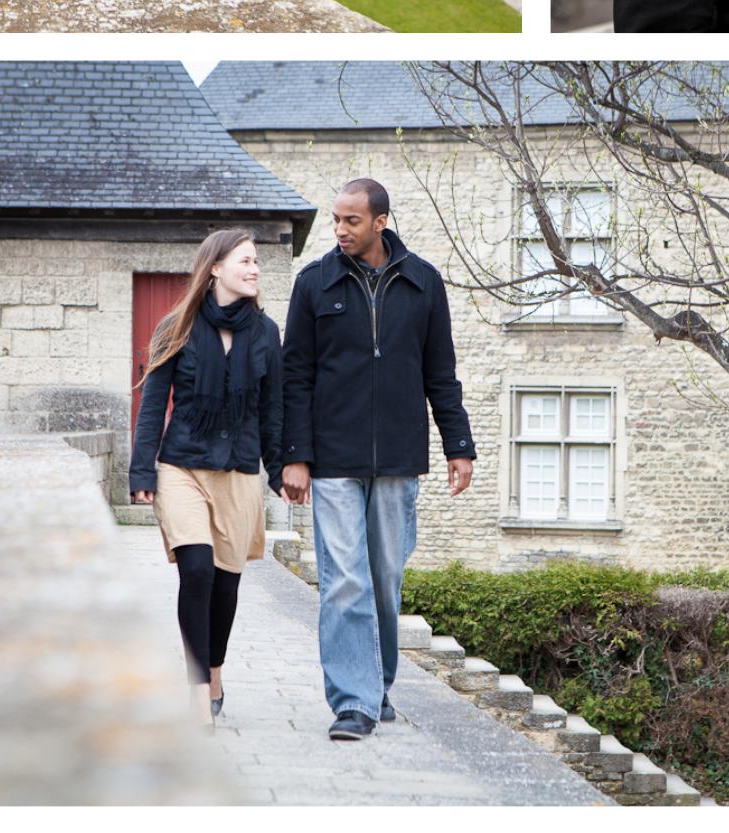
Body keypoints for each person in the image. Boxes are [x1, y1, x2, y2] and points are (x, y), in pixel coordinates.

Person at [280, 180, 474, 742]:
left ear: (381, 221)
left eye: (351, 221)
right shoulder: (313, 284)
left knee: (384, 580)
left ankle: (377, 684)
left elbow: (441, 373)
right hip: (333, 460)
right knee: (344, 580)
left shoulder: (423, 284)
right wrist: (295, 457)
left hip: (397, 459)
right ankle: (353, 703)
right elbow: (296, 376)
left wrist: (458, 445)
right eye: (336, 220)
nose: (340, 230)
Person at [129, 230, 284, 728]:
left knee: (226, 586)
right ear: (214, 267)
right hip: (182, 468)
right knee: (196, 572)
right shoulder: (175, 327)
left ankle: (215, 670)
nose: (255, 268)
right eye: (245, 260)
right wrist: (141, 468)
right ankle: (199, 693)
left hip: (239, 472)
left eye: (257, 260)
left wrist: (279, 468)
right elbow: (154, 403)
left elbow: (273, 410)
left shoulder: (266, 334)